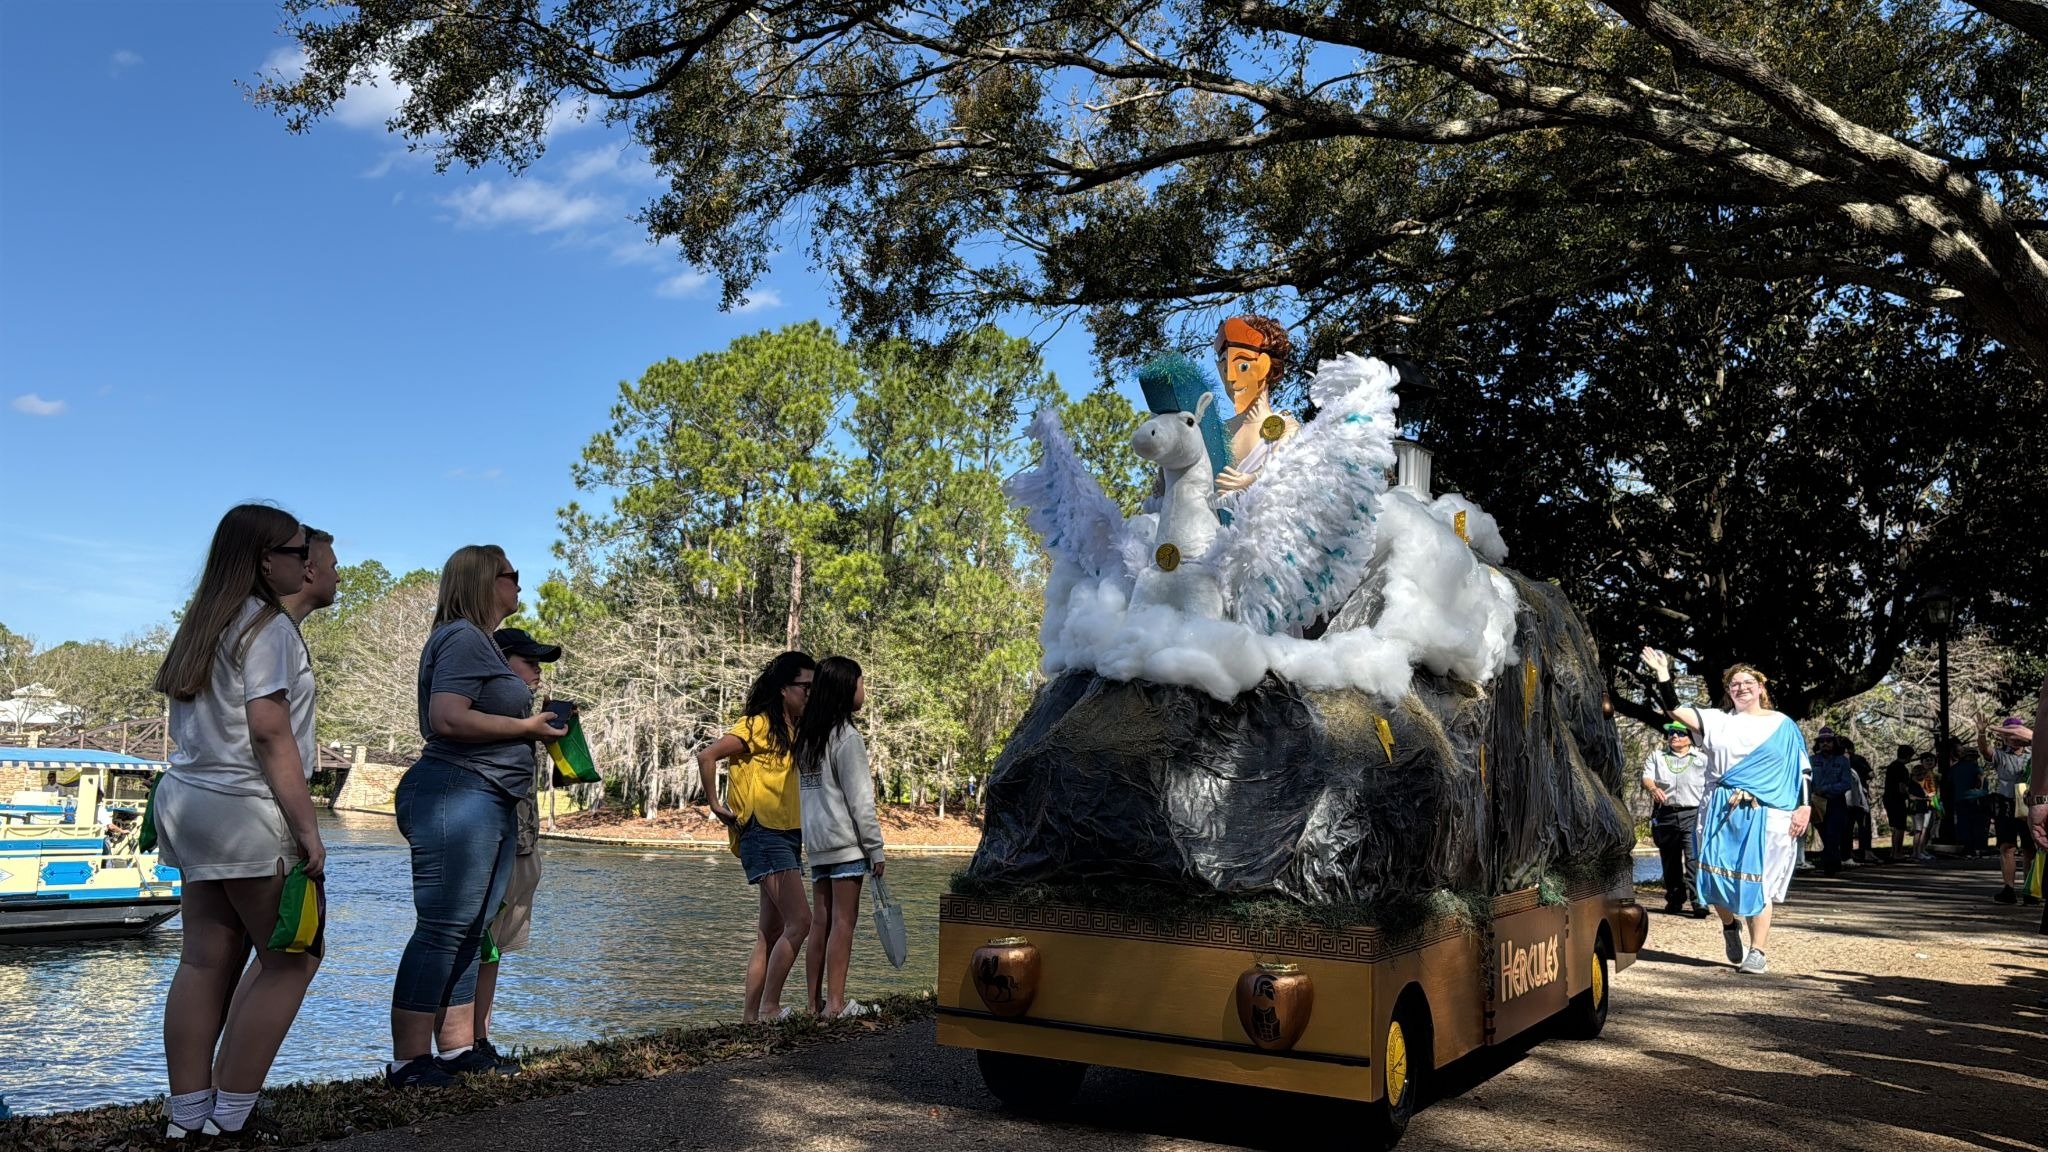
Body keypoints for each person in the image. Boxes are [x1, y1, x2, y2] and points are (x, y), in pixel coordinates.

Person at [149, 505, 324, 1139]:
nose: (307, 563)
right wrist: (308, 830)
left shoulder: (205, 624)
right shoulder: (268, 626)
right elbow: (270, 731)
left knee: (203, 962)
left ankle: (188, 1119)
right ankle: (231, 1117)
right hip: (247, 807)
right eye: (298, 551)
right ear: (264, 560)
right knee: (293, 958)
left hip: (188, 801)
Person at [387, 547, 563, 1088]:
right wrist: (527, 727)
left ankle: (458, 1048)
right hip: (457, 792)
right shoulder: (462, 636)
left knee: (471, 925)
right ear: (487, 580)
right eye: (513, 575)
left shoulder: (478, 640)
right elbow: (447, 717)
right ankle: (409, 1061)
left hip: (489, 796)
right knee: (443, 926)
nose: (519, 584)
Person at [1641, 648, 1811, 974]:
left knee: (1759, 882)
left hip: (1768, 812)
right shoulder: (1717, 721)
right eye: (1735, 684)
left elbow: (1802, 770)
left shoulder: (1783, 725)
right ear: (1728, 691)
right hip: (1720, 808)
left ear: (1761, 688)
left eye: (1748, 683)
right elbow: (1676, 710)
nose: (1742, 687)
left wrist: (1803, 806)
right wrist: (1663, 675)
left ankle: (1758, 951)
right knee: (1713, 879)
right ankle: (1730, 925)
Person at [467, 627, 567, 1071]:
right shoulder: (477, 711)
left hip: (523, 847)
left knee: (494, 950)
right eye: (529, 663)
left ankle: (479, 1039)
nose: (537, 673)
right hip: (491, 848)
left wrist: (558, 741)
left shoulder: (526, 718)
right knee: (473, 945)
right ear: (500, 661)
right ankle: (457, 1045)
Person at [697, 652, 816, 1023]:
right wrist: (715, 804)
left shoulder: (795, 728)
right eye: (804, 687)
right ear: (783, 688)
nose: (809, 694)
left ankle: (750, 1018)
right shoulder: (758, 724)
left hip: (787, 834)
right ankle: (769, 1008)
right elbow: (707, 756)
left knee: (772, 930)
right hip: (763, 832)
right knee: (801, 922)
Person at [795, 656, 887, 1018]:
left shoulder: (808, 738)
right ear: (847, 688)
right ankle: (835, 1004)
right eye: (862, 682)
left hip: (817, 845)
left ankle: (813, 1004)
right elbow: (861, 800)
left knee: (821, 922)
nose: (865, 689)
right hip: (846, 845)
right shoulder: (847, 738)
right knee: (844, 922)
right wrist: (875, 848)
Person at [1212, 315, 1299, 494]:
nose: (1231, 378)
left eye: (1242, 367)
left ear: (1264, 366)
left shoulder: (1287, 428)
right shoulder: (1216, 433)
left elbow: (1285, 472)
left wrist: (1252, 480)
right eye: (1225, 368)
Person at [1641, 722, 1707, 916]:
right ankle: (1675, 899)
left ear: (1690, 738)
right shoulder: (1657, 756)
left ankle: (1699, 901)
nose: (1674, 736)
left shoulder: (1703, 759)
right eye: (1671, 732)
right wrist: (1653, 788)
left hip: (1693, 813)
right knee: (1670, 859)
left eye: (1680, 733)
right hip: (1666, 814)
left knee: (1694, 858)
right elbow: (1646, 777)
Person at [1981, 716, 2034, 904]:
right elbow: (1985, 751)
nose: (2013, 738)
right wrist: (1982, 732)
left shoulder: (2034, 753)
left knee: (2030, 848)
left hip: (2029, 803)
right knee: (2007, 846)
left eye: (2015, 733)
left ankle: (2030, 889)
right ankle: (2009, 888)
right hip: (2006, 803)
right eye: (2008, 734)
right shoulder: (2000, 754)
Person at [1809, 728, 1857, 876]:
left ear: (1834, 742)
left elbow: (1846, 783)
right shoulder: (1812, 760)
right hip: (1817, 803)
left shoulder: (1842, 760)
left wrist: (1826, 789)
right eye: (1822, 741)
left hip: (1836, 802)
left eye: (1828, 741)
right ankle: (1834, 863)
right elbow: (1806, 780)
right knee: (1824, 833)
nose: (1825, 743)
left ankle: (1829, 866)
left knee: (1833, 834)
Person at [1949, 745, 1990, 857]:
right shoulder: (1976, 768)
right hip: (1976, 799)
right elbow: (1980, 784)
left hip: (1960, 799)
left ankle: (1968, 849)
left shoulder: (1954, 769)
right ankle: (1979, 848)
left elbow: (1950, 784)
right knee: (1977, 825)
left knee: (1964, 824)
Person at [1841, 737, 1875, 863]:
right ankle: (1865, 852)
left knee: (1847, 827)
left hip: (1844, 797)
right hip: (1859, 797)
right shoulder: (1857, 759)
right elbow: (1871, 774)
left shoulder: (1837, 760)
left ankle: (1848, 853)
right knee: (1864, 825)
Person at [1881, 743, 1916, 863]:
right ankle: (1898, 853)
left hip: (1888, 798)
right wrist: (1909, 796)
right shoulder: (1902, 769)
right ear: (1908, 756)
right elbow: (1902, 787)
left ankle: (1893, 852)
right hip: (1897, 799)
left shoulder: (1892, 766)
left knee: (1895, 827)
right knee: (1900, 827)